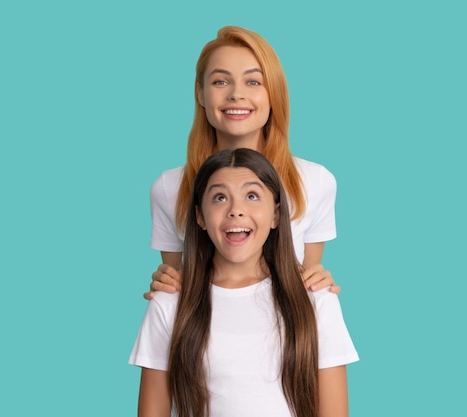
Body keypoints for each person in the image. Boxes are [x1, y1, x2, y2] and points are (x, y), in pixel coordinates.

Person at [130, 148, 358, 417]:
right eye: (219, 197)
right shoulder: (169, 304)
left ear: (275, 215)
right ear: (200, 217)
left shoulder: (317, 301)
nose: (236, 210)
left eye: (252, 196)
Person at [145, 25, 341, 300]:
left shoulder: (315, 181)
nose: (236, 94)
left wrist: (319, 278)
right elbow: (175, 293)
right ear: (200, 94)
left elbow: (309, 289)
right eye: (220, 81)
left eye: (253, 82)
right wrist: (165, 281)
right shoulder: (169, 188)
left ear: (273, 93)